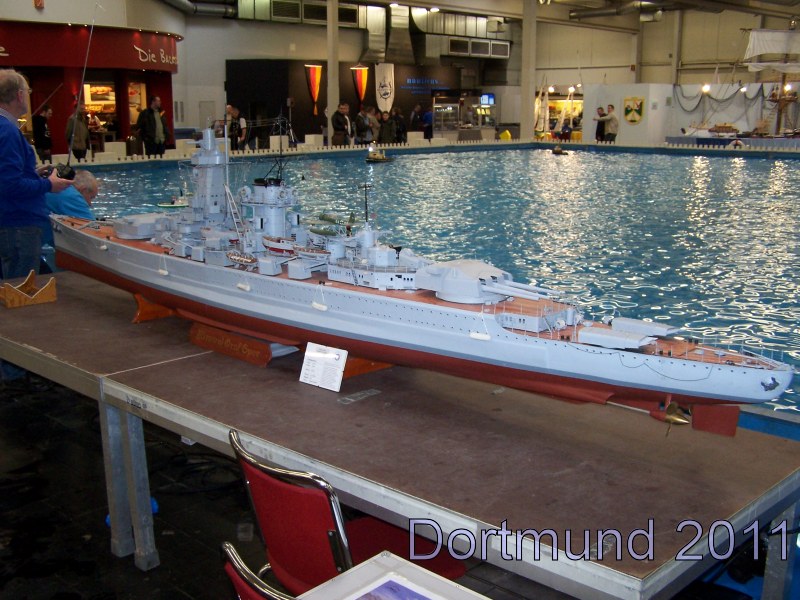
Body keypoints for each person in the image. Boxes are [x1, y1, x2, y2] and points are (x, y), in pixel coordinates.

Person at [0, 69, 72, 386]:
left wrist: (35, 174)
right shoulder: (7, 131)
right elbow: (10, 185)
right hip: (17, 224)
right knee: (19, 298)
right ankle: (15, 371)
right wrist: (48, 186)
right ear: (19, 95)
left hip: (9, 223)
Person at [43, 169, 97, 246]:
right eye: (91, 197)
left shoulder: (55, 190)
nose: (90, 204)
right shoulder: (70, 195)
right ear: (83, 190)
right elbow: (93, 229)